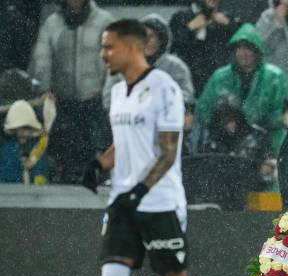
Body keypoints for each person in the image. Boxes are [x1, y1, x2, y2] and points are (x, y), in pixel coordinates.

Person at [73, 19, 213, 276]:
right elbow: (126, 142)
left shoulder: (164, 88)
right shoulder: (118, 92)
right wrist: (99, 165)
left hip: (161, 204)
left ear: (132, 48)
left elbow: (168, 151)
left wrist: (138, 192)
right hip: (124, 205)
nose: (103, 54)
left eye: (109, 47)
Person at [29, 0, 114, 183]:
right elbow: (42, 57)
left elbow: (114, 57)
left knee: (96, 148)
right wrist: (44, 89)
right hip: (62, 101)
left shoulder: (104, 21)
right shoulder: (52, 23)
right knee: (65, 152)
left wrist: (108, 93)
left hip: (95, 100)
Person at [192, 23, 288, 157]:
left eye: (248, 48)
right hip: (227, 144)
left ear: (257, 50)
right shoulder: (219, 77)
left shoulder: (275, 77)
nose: (243, 53)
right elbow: (204, 111)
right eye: (239, 48)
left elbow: (282, 114)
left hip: (268, 145)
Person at [102, 14, 195, 143]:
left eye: (152, 36)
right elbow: (109, 100)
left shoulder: (176, 67)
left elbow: (186, 97)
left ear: (161, 39)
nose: (147, 41)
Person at [170, 0, 241, 94]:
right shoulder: (181, 17)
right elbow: (171, 45)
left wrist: (229, 24)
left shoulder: (227, 18)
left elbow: (243, 43)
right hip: (189, 79)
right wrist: (190, 27)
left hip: (218, 80)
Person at [0, 100, 52, 184]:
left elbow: (41, 175)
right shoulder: (8, 149)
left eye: (27, 128)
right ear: (15, 129)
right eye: (20, 128)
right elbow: (4, 178)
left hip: (35, 195)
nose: (24, 132)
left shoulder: (38, 148)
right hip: (10, 194)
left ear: (32, 129)